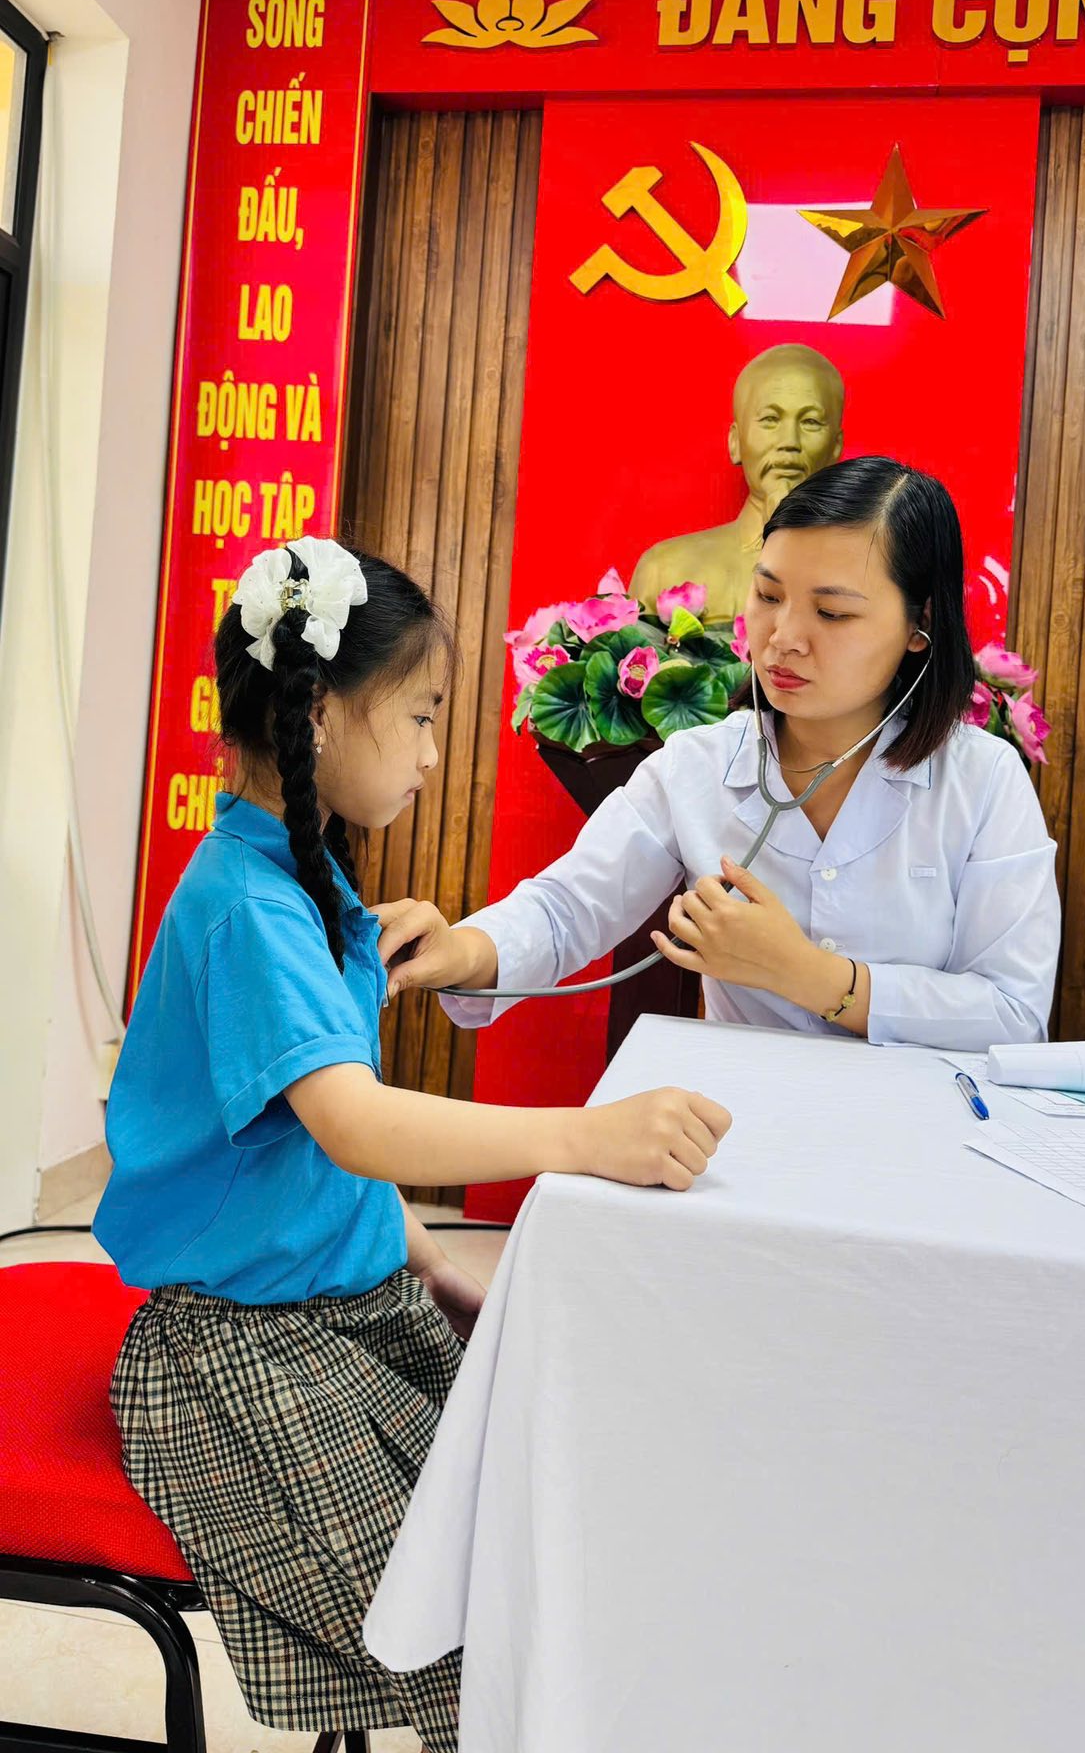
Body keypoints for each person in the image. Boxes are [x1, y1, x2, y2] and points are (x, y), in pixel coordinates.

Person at [93, 537, 730, 1753]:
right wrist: (587, 1136)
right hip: (239, 1353)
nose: (436, 754)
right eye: (424, 716)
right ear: (320, 714)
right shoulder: (247, 904)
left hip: (348, 1309)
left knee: (535, 1552)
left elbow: (310, 1151)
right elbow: (354, 1120)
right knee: (463, 1642)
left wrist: (425, 1257)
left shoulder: (307, 878)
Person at [386, 459, 1060, 1053]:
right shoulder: (697, 767)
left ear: (921, 624)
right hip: (739, 1120)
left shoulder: (983, 781)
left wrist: (809, 975)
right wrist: (460, 950)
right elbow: (566, 910)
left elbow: (1012, 1014)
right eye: (768, 596)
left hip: (924, 1129)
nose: (784, 637)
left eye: (832, 613)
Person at [629, 342, 845, 620]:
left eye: (810, 422)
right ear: (735, 442)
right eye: (770, 419)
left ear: (836, 447)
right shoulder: (666, 570)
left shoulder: (874, 573)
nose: (789, 441)